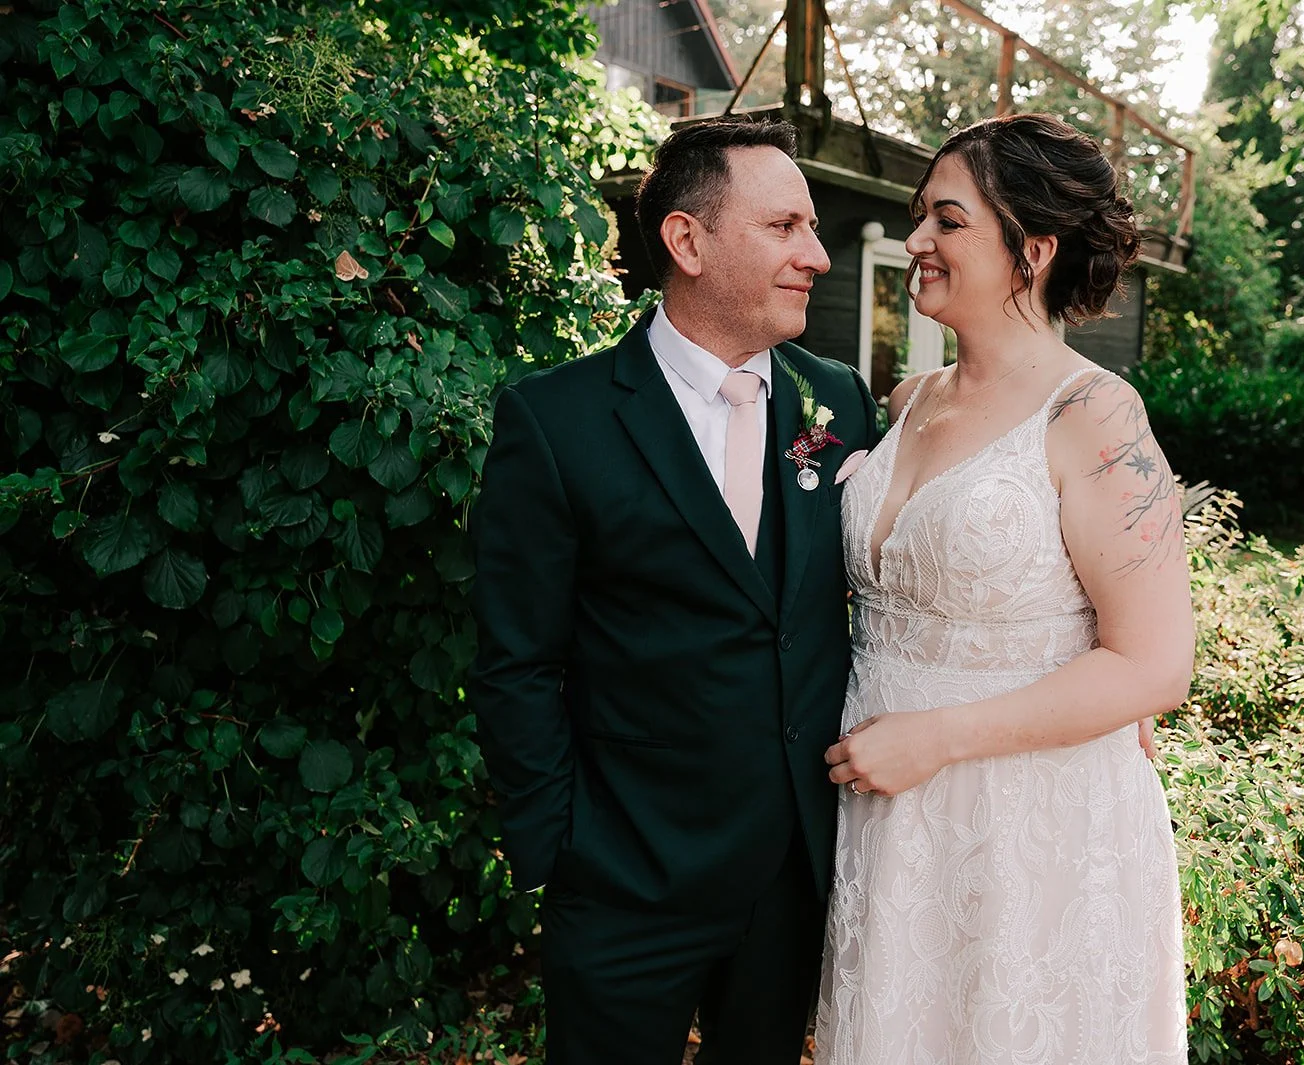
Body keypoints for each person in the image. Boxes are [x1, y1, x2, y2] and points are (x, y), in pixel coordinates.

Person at [468, 119, 878, 1065]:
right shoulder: (556, 419)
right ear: (687, 242)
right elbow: (517, 661)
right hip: (626, 879)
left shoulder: (838, 401)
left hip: (792, 876)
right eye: (785, 227)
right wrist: (563, 851)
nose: (815, 255)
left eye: (811, 229)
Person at [814, 112, 1192, 1064]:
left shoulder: (1096, 414)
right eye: (918, 218)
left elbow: (1154, 664)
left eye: (947, 220)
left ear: (1031, 249)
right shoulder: (907, 400)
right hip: (891, 819)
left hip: (1031, 821)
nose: (916, 242)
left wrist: (933, 737)